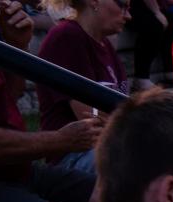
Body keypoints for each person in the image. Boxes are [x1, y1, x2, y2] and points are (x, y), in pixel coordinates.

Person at [0, 0, 100, 202]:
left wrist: (17, 46)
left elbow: (11, 96)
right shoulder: (67, 36)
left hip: (20, 170)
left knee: (118, 197)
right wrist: (60, 140)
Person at [37, 0, 131, 173]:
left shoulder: (104, 44)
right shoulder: (66, 37)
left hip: (106, 146)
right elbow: (89, 115)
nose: (128, 16)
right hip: (73, 157)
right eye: (122, 5)